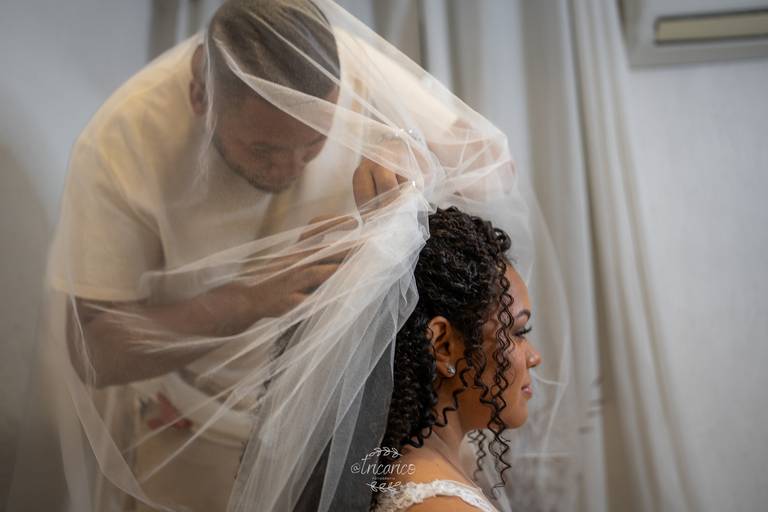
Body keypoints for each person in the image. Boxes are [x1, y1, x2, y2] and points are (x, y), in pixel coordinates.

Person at [8, 1, 575, 511]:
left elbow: (495, 167)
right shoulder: (120, 143)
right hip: (195, 432)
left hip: (363, 428)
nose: (293, 166)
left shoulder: (346, 67)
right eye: (265, 149)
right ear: (201, 95)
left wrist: (413, 148)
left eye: (316, 141)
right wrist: (248, 300)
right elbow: (92, 350)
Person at [370, 207, 541, 512]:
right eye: (517, 332)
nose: (534, 357)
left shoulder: (409, 473)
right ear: (443, 345)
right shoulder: (440, 505)